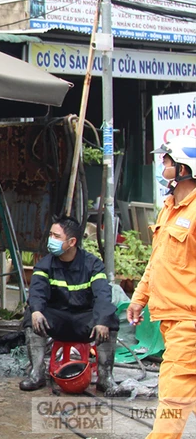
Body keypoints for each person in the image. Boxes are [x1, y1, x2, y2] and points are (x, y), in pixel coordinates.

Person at [128, 139, 196, 438]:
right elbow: (157, 262)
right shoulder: (168, 209)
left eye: (167, 162)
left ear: (183, 169)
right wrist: (138, 299)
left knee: (172, 400)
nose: (163, 167)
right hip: (171, 320)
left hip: (188, 323)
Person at [18, 216, 121, 394]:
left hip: (85, 321)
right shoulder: (44, 265)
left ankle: (105, 377)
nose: (51, 240)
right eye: (50, 235)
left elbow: (103, 295)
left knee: (109, 317)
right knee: (31, 315)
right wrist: (36, 311)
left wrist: (102, 320)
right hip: (57, 320)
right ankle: (37, 373)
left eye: (56, 236)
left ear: (72, 241)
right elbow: (37, 293)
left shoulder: (93, 265)